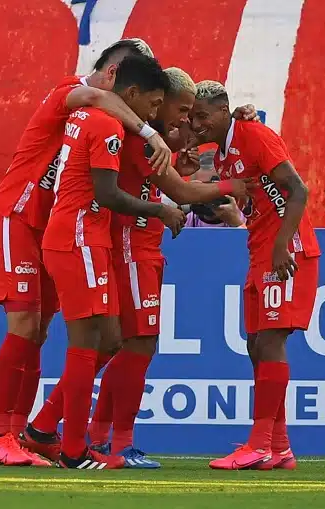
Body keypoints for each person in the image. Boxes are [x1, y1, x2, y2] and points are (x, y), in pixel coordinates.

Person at [0, 38, 172, 467]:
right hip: (18, 214)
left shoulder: (100, 116)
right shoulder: (69, 92)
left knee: (41, 330)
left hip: (53, 225)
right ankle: (2, 435)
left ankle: (27, 433)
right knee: (25, 323)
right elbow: (95, 95)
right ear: (113, 74)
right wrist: (147, 132)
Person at [85, 68, 252, 468]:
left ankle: (92, 436)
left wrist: (189, 154)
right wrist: (233, 185)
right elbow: (178, 191)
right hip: (130, 245)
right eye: (179, 109)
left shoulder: (150, 137)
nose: (183, 119)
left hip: (141, 245)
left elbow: (173, 163)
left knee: (129, 346)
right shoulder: (140, 138)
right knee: (134, 345)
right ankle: (113, 441)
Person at [40, 54, 185, 469]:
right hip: (80, 235)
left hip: (79, 235)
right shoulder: (106, 126)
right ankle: (71, 450)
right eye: (154, 104)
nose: (154, 114)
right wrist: (160, 210)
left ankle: (45, 429)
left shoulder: (89, 115)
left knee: (109, 339)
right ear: (133, 93)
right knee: (89, 344)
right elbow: (107, 195)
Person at [190, 80, 322, 471]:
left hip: (285, 251)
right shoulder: (225, 149)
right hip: (260, 251)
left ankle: (260, 443)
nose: (197, 124)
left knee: (270, 343)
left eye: (203, 115)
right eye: (192, 116)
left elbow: (298, 190)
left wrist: (283, 245)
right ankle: (278, 447)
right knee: (255, 346)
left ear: (223, 110)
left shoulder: (254, 135)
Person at [183, 150, 246, 228]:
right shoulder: (182, 223)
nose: (206, 196)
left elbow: (255, 239)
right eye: (199, 188)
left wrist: (236, 224)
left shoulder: (251, 217)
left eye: (212, 187)